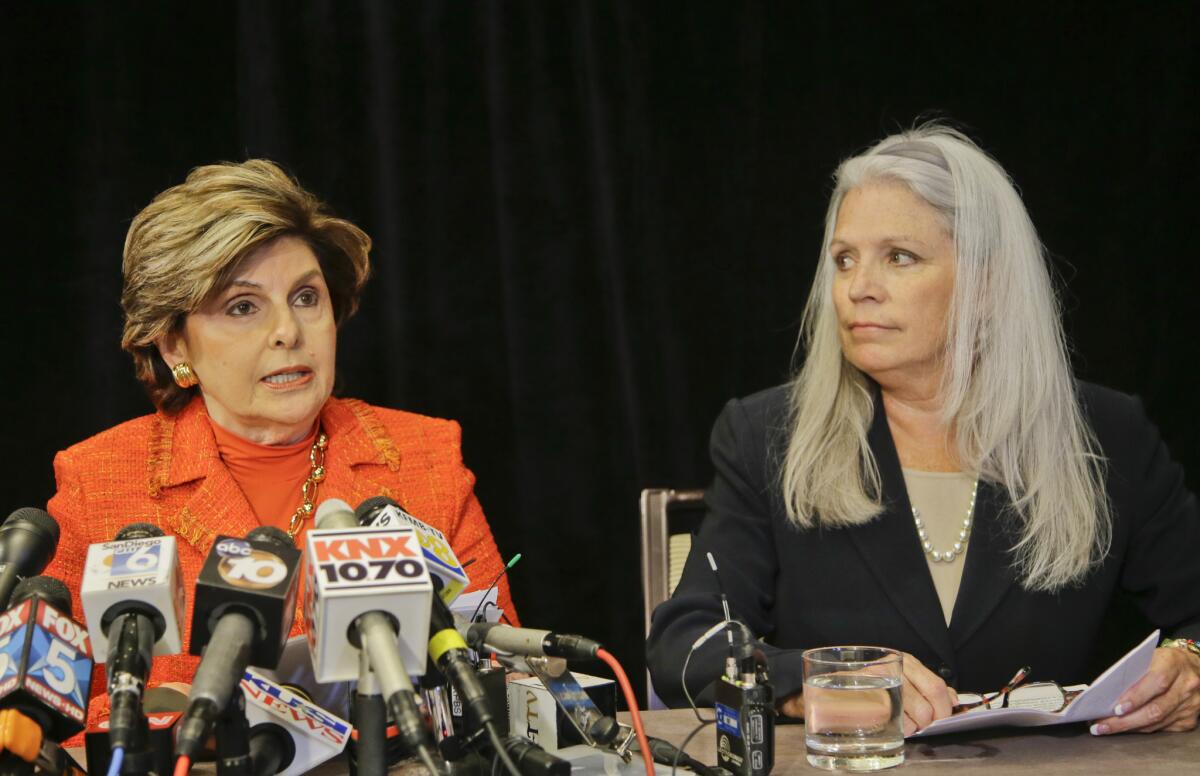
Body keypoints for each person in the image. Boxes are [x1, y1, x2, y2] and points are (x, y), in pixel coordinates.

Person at [646, 124, 1200, 736]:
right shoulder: (764, 435)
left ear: (987, 284)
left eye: (900, 257)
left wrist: (1191, 666)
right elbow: (685, 646)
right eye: (844, 259)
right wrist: (809, 682)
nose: (859, 288)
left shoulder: (1110, 435)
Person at [45, 159, 518, 732]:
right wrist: (182, 715)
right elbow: (53, 716)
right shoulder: (101, 481)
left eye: (305, 297)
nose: (287, 332)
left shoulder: (424, 458)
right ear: (174, 347)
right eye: (243, 307)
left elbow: (499, 680)